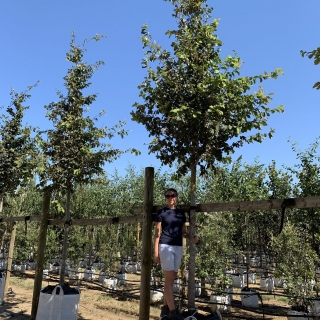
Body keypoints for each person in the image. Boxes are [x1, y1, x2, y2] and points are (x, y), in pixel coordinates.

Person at [154, 188, 199, 320]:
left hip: (178, 246)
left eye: (172, 195)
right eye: (167, 196)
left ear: (176, 197)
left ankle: (165, 310)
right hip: (165, 246)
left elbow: (183, 231)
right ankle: (174, 312)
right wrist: (155, 253)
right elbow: (157, 234)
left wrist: (191, 237)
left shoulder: (180, 213)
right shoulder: (162, 212)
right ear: (165, 198)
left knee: (172, 277)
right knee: (168, 280)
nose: (170, 197)